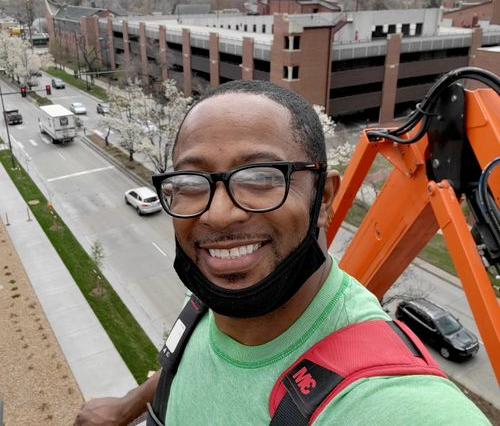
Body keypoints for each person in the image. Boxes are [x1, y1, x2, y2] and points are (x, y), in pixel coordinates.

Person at [75, 80, 489, 425]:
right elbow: (189, 364)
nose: (218, 214)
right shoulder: (206, 299)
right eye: (191, 181)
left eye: (260, 177)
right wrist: (126, 406)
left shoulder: (390, 403)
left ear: (324, 199)